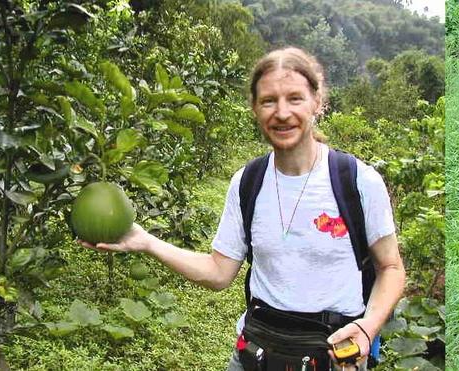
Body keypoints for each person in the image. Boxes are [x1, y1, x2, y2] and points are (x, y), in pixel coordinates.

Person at [79, 47, 406, 371]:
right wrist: (146, 242)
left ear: (317, 102)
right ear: (254, 108)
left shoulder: (357, 180)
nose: (281, 113)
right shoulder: (248, 181)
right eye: (268, 101)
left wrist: (367, 328)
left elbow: (390, 268)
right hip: (255, 354)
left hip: (334, 359)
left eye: (294, 98)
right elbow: (220, 272)